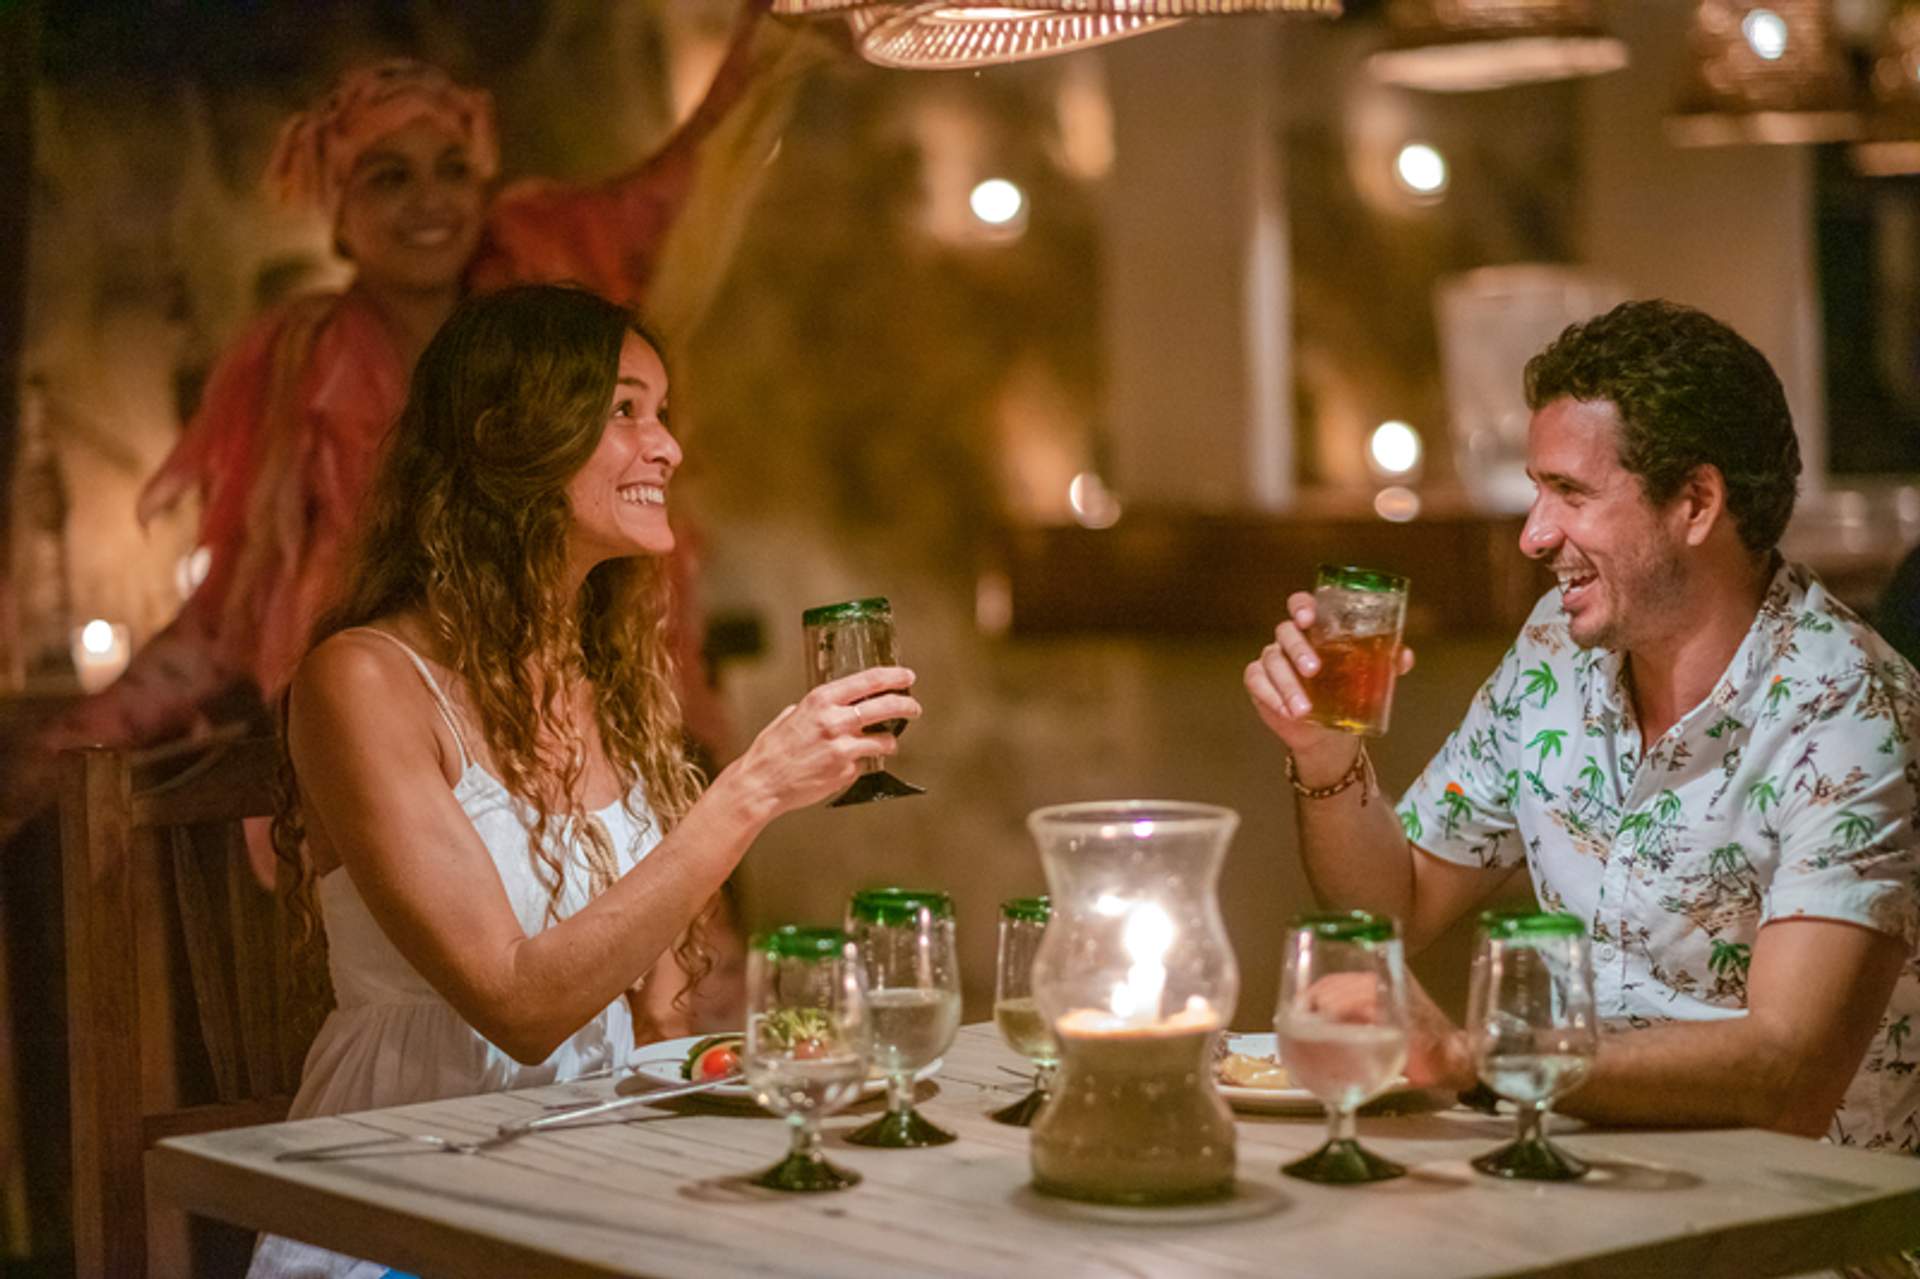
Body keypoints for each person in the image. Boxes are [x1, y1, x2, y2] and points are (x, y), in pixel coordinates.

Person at [2, 0, 812, 844]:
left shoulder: (541, 300)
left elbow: (674, 191)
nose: (428, 200)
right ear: (339, 214)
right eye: (389, 175)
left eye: (451, 170)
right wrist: (69, 741)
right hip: (400, 769)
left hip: (594, 735)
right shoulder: (306, 368)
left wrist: (772, 42)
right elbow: (228, 614)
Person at [251, 284, 919, 1279]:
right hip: (406, 1191)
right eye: (624, 411)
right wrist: (749, 791)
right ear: (510, 435)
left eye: (663, 413)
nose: (667, 447)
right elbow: (519, 1006)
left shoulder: (600, 674)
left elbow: (657, 1011)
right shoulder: (363, 680)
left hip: (589, 1179)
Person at [1246, 299, 1920, 1153]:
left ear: (1697, 502)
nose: (1534, 534)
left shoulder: (1849, 708)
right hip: (1588, 1173)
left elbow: (1787, 1074)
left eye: (1570, 492)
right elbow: (1394, 904)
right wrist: (1325, 755)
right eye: (1538, 491)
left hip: (1806, 1225)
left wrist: (1479, 1057)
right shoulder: (1553, 652)